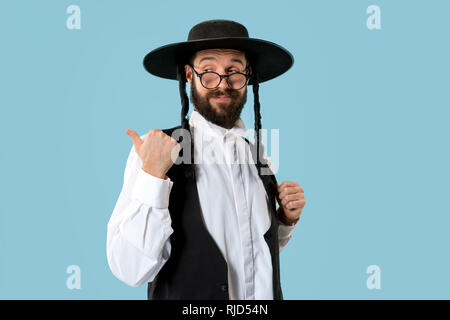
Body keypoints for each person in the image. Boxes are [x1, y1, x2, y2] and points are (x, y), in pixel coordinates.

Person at [106, 19, 306, 300]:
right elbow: (130, 269)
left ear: (247, 76)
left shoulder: (259, 159)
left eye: (233, 70)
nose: (222, 84)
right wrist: (153, 175)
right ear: (189, 76)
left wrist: (284, 220)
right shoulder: (154, 152)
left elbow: (249, 253)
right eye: (209, 71)